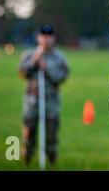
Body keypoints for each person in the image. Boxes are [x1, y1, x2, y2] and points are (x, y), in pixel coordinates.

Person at [18, 25, 69, 165]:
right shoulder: (29, 55)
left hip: (51, 102)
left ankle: (51, 161)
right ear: (38, 38)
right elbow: (22, 73)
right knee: (29, 132)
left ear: (53, 38)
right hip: (32, 102)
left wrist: (46, 69)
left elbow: (62, 77)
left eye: (49, 37)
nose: (46, 39)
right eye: (43, 36)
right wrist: (34, 62)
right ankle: (26, 160)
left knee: (51, 134)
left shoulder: (59, 58)